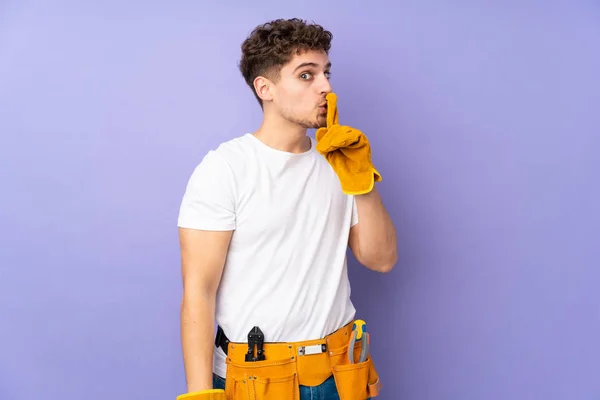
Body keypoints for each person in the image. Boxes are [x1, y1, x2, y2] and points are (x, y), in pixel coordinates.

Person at [176, 18, 397, 400]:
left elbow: (381, 259)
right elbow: (199, 290)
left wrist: (361, 179)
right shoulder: (226, 167)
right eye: (307, 76)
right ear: (266, 88)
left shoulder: (338, 161)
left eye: (326, 73)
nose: (326, 87)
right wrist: (199, 395)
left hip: (339, 372)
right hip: (258, 377)